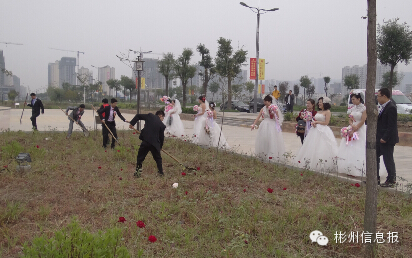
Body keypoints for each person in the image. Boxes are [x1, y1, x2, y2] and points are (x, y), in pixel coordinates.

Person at [296, 97, 338, 172]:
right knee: (312, 146)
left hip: (323, 130)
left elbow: (326, 123)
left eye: (320, 102)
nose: (319, 103)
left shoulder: (327, 111)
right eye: (318, 102)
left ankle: (321, 164)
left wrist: (316, 122)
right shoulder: (319, 111)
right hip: (315, 129)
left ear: (324, 103)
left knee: (322, 146)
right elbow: (315, 119)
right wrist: (312, 122)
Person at [129, 110, 166, 177]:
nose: (162, 120)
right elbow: (161, 138)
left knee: (140, 157)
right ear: (161, 115)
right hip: (154, 144)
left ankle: (137, 173)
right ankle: (161, 173)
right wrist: (160, 146)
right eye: (163, 118)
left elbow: (138, 116)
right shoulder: (162, 125)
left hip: (146, 141)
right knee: (158, 159)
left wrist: (132, 123)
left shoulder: (150, 116)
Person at [337, 93, 367, 176]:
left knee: (358, 147)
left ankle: (358, 168)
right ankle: (348, 167)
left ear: (359, 99)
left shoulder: (364, 108)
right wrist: (351, 125)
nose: (352, 101)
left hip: (360, 128)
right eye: (352, 99)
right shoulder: (352, 108)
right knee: (349, 147)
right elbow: (350, 119)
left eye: (354, 99)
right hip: (352, 127)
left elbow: (363, 120)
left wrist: (356, 127)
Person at [251, 94, 285, 161]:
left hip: (272, 125)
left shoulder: (274, 108)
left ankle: (272, 155)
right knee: (263, 139)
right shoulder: (263, 108)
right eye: (264, 101)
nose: (265, 103)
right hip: (264, 125)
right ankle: (264, 153)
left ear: (270, 101)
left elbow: (278, 118)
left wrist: (274, 114)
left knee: (272, 139)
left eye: (266, 101)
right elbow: (258, 117)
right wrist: (254, 124)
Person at [376, 88, 399, 187]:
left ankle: (391, 179)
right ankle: (374, 177)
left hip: (387, 140)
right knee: (374, 156)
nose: (377, 98)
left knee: (388, 159)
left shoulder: (391, 107)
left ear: (384, 96)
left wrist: (385, 138)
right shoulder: (382, 106)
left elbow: (391, 126)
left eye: (378, 96)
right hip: (379, 138)